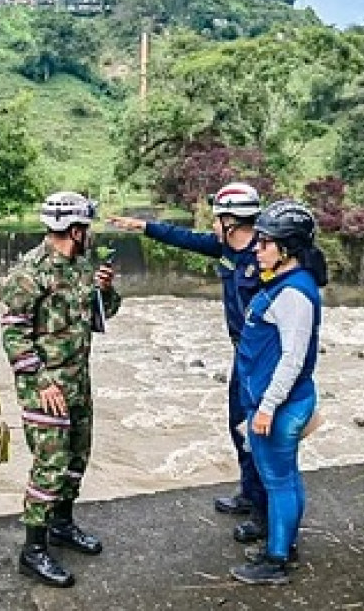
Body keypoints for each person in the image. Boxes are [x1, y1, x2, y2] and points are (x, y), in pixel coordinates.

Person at [109, 183, 267, 542]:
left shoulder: (267, 256)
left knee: (260, 433)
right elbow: (183, 238)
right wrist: (143, 227)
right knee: (237, 423)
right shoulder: (225, 247)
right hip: (241, 353)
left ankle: (264, 514)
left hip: (263, 357)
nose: (211, 226)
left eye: (216, 219)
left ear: (231, 221)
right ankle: (248, 492)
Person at [0, 191, 121, 588]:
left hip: (78, 380)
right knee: (49, 466)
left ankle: (62, 525)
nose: (89, 234)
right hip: (45, 387)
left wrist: (105, 290)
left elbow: (103, 314)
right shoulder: (29, 272)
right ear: (74, 229)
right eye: (86, 227)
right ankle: (32, 550)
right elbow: (13, 332)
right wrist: (38, 378)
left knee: (77, 456)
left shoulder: (82, 266)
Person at [229, 200, 328, 586]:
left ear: (287, 248)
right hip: (278, 401)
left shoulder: (294, 294)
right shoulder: (285, 284)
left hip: (282, 405)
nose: (257, 248)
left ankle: (275, 561)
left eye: (265, 243)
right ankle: (285, 545)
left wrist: (267, 408)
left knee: (279, 482)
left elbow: (293, 359)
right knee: (286, 477)